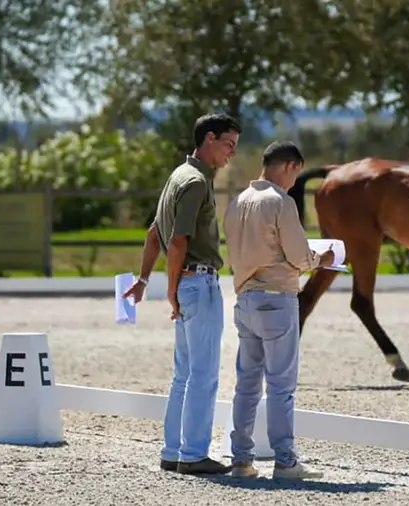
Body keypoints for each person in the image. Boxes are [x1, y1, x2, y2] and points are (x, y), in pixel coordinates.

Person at [123, 112, 242, 475]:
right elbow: (176, 241)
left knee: (184, 375)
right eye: (228, 145)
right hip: (197, 282)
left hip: (185, 283)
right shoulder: (195, 182)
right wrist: (171, 291)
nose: (231, 154)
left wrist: (145, 280)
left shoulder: (178, 175)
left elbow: (152, 233)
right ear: (209, 138)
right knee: (204, 375)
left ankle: (173, 451)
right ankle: (192, 454)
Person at [222, 140, 334, 480]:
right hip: (277, 299)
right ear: (289, 166)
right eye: (295, 175)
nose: (293, 182)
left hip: (246, 300)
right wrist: (322, 260)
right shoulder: (280, 202)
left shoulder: (236, 201)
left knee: (247, 384)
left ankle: (241, 459)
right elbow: (300, 256)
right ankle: (285, 461)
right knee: (281, 386)